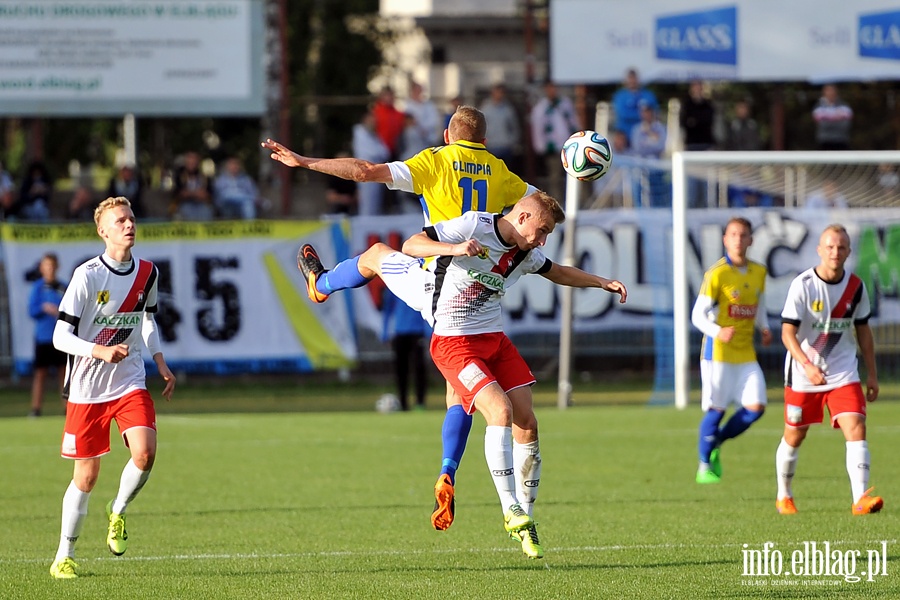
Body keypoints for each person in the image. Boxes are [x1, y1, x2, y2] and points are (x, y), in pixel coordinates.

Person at [298, 192, 627, 558]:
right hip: (450, 332)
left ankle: (524, 518)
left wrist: (601, 282)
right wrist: (453, 249)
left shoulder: (526, 253)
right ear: (522, 217)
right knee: (496, 409)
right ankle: (509, 508)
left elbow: (557, 271)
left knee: (527, 422)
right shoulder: (473, 223)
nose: (543, 239)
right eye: (542, 230)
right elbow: (412, 243)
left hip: (493, 338)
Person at [262, 105, 539, 534]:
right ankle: (448, 469)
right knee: (459, 388)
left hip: (433, 278)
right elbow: (536, 205)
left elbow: (364, 170)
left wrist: (306, 162)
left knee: (374, 255)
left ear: (449, 134)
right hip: (473, 290)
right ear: (483, 141)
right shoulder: (499, 170)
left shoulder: (434, 160)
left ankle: (320, 285)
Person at [48, 196, 176, 579]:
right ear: (103, 230)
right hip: (87, 388)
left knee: (145, 454)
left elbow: (147, 320)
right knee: (85, 478)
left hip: (129, 380)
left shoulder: (148, 272)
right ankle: (63, 556)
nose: (129, 225)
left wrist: (158, 359)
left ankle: (117, 511)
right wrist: (99, 351)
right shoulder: (87, 276)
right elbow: (59, 337)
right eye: (120, 220)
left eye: (131, 218)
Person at [775, 224, 882, 516]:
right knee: (795, 435)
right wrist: (807, 365)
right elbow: (787, 334)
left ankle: (860, 498)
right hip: (802, 374)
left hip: (842, 372)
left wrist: (871, 374)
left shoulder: (856, 287)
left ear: (848, 252)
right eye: (830, 247)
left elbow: (864, 333)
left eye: (842, 247)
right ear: (820, 250)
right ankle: (784, 495)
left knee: (856, 427)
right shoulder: (804, 285)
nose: (836, 252)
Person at [691, 218, 772, 484]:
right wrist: (718, 331)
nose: (738, 239)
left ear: (751, 240)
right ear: (725, 239)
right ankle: (704, 466)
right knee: (717, 409)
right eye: (733, 234)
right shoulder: (717, 273)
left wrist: (764, 326)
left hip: (746, 353)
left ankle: (716, 441)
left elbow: (758, 304)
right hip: (719, 354)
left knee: (756, 407)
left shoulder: (759, 272)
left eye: (743, 234)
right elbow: (697, 316)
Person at [28, 253, 67, 417]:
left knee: (64, 373)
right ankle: (36, 409)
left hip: (62, 337)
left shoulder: (63, 287)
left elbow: (70, 310)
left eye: (52, 266)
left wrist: (59, 311)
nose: (49, 269)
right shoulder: (37, 287)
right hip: (43, 337)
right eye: (46, 266)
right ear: (42, 268)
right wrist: (44, 308)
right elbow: (31, 311)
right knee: (40, 374)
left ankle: (68, 408)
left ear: (56, 267)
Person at [529, 82, 581, 200]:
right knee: (555, 176)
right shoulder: (541, 108)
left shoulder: (565, 104)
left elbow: (573, 121)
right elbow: (538, 128)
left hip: (569, 145)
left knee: (576, 173)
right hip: (552, 147)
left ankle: (577, 200)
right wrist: (541, 146)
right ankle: (556, 201)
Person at [382, 289, 430, 411]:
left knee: (419, 368)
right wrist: (384, 331)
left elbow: (429, 307)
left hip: (418, 333)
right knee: (401, 370)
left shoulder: (419, 285)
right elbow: (387, 310)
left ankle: (420, 402)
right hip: (399, 333)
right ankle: (403, 404)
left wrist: (429, 331)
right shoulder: (393, 286)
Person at [352, 109, 391, 216]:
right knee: (367, 203)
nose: (374, 122)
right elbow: (371, 152)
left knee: (375, 202)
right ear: (365, 119)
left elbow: (385, 152)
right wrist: (378, 153)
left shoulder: (374, 135)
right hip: (363, 171)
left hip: (376, 171)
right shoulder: (359, 131)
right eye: (371, 119)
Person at [611, 68, 658, 144]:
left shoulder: (648, 95)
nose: (632, 81)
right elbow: (622, 114)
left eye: (634, 78)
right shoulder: (620, 96)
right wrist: (642, 114)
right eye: (630, 78)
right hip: (625, 135)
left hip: (645, 135)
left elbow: (654, 112)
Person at [480, 83, 521, 167]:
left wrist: (512, 141)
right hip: (490, 146)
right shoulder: (486, 108)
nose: (499, 95)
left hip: (505, 147)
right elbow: (480, 126)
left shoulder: (508, 109)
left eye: (501, 92)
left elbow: (514, 127)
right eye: (497, 92)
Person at [172, 151, 214, 220]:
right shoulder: (179, 176)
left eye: (194, 161)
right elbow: (179, 193)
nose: (192, 163)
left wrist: (190, 193)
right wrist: (195, 194)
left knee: (207, 212)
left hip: (202, 204)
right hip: (185, 204)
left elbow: (207, 194)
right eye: (189, 161)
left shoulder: (204, 176)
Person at [813, 84, 852, 151]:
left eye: (832, 90)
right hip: (824, 142)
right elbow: (822, 125)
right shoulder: (818, 107)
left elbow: (845, 125)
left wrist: (828, 118)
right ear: (824, 92)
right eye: (828, 90)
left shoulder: (844, 106)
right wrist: (838, 117)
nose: (831, 93)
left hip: (841, 141)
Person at [404, 81, 442, 148]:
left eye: (420, 91)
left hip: (429, 138)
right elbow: (408, 121)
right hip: (413, 140)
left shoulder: (429, 105)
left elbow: (435, 120)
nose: (418, 93)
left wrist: (425, 128)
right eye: (416, 91)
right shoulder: (407, 106)